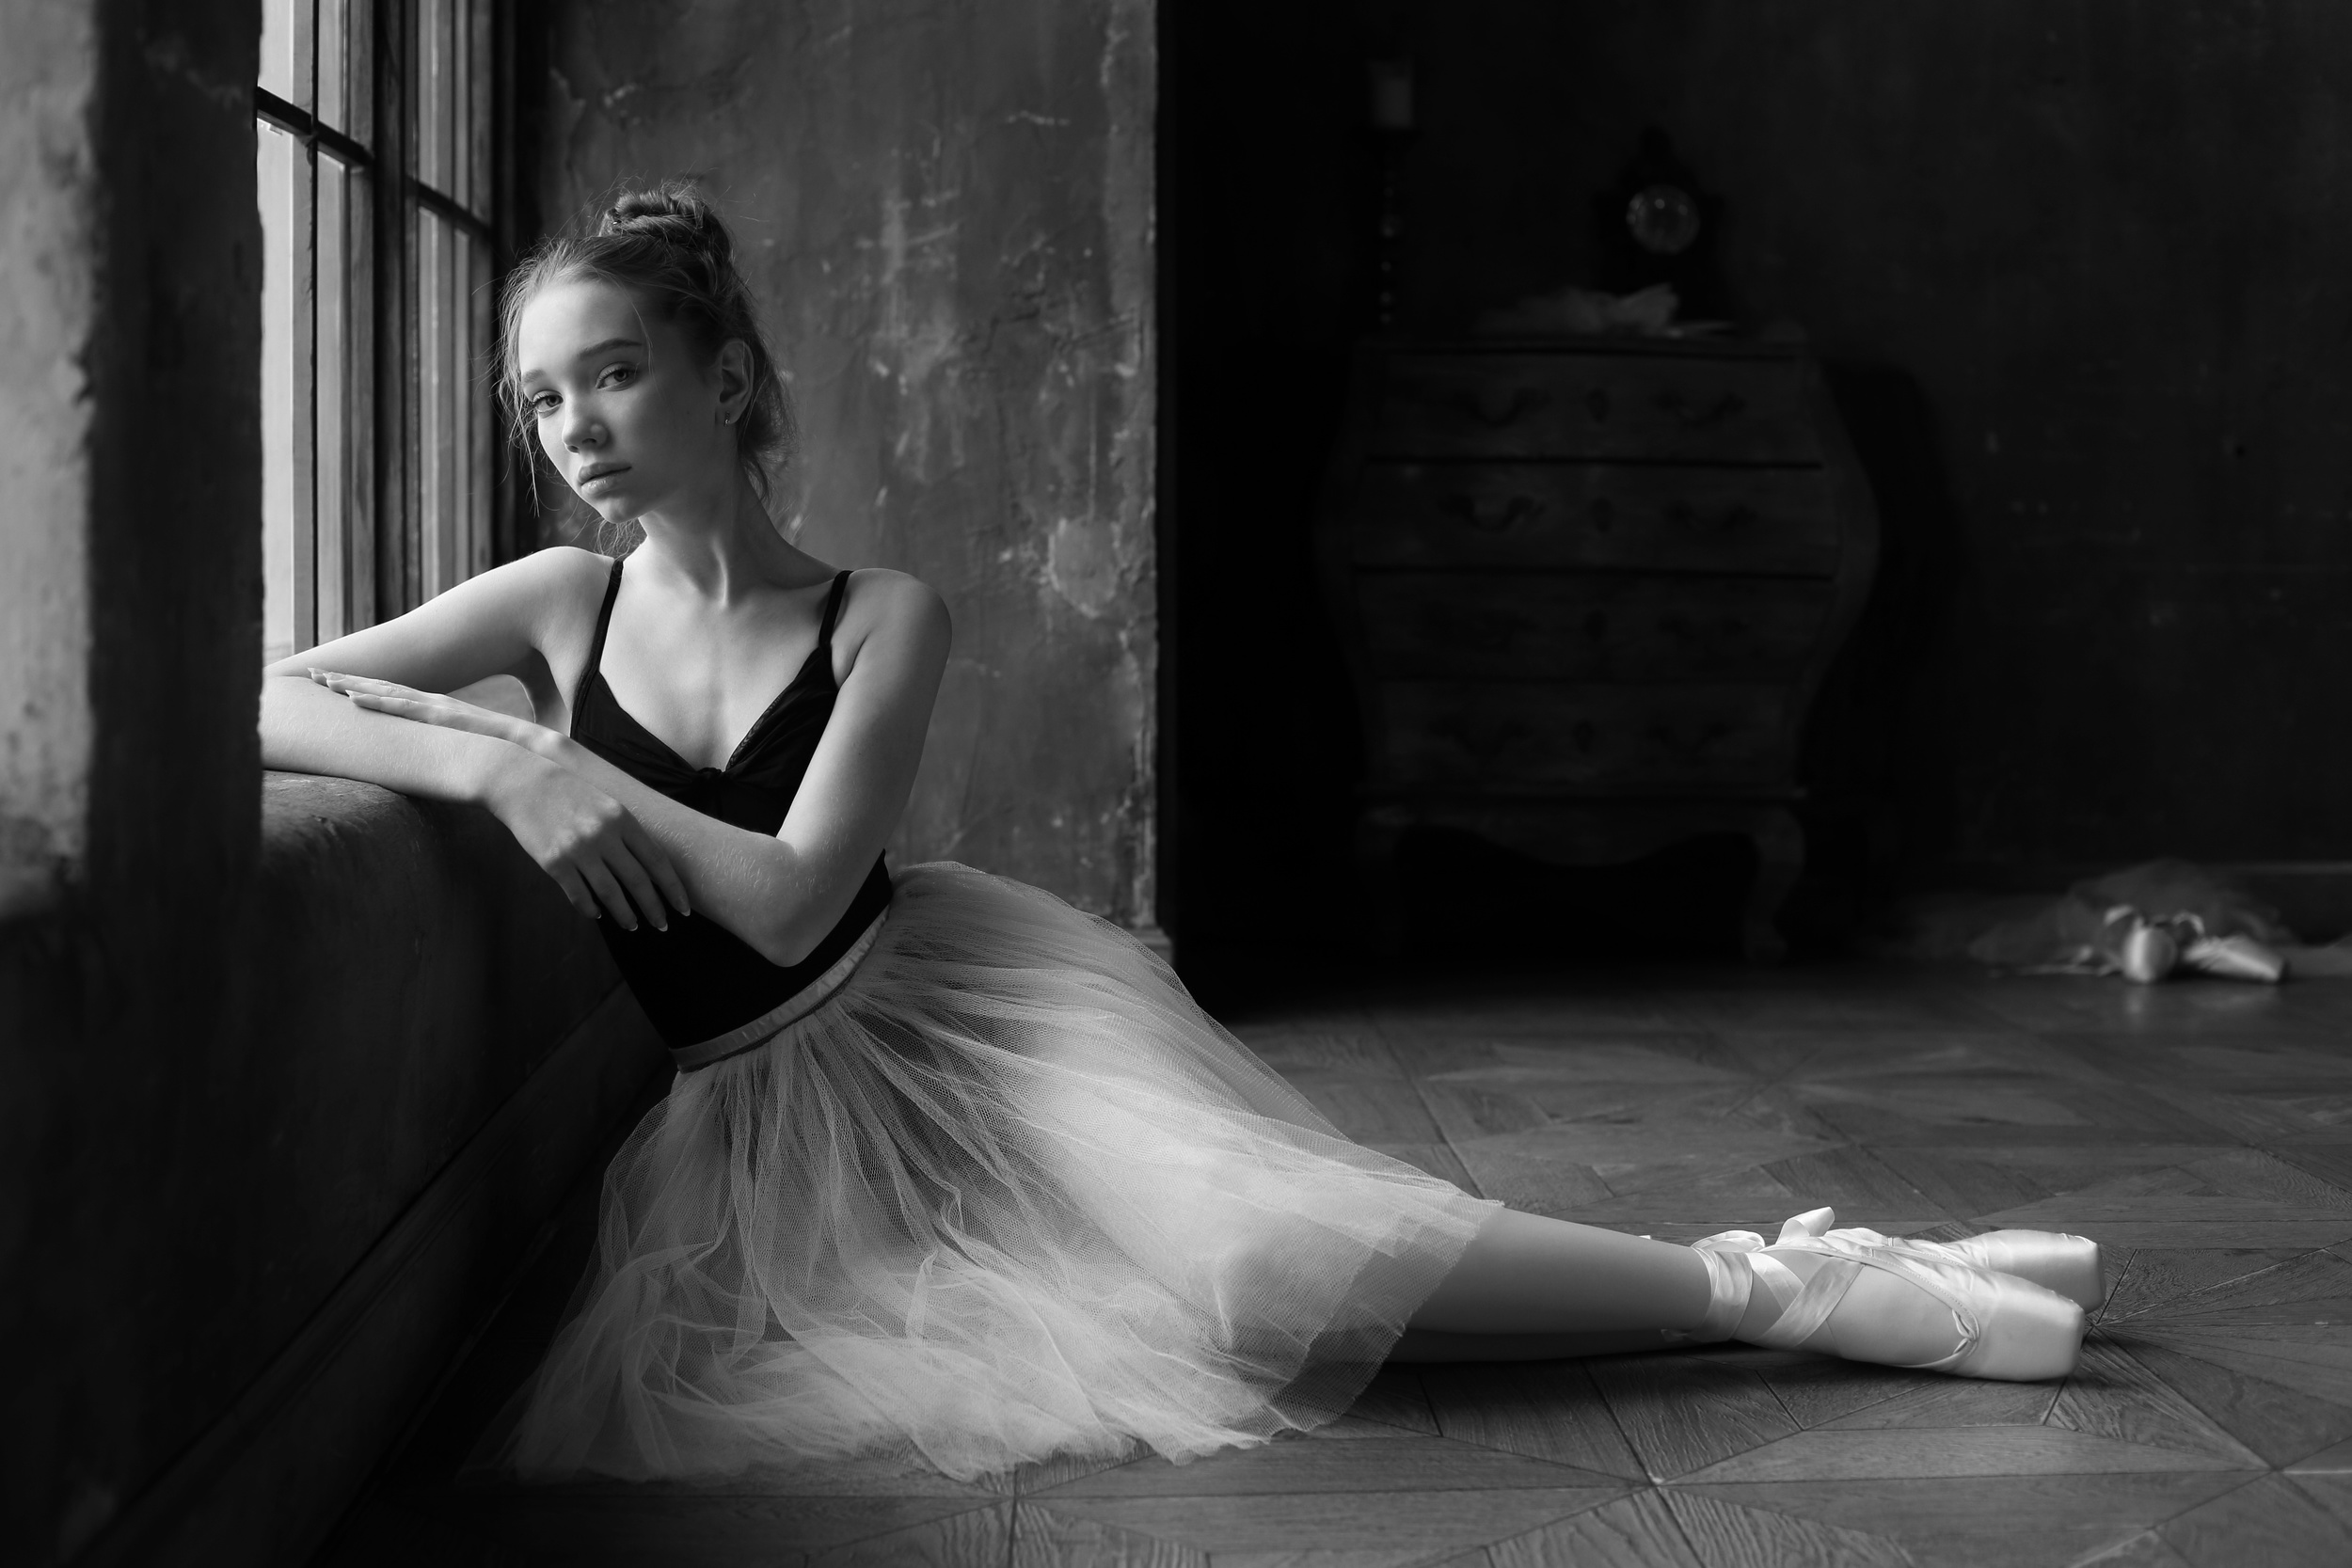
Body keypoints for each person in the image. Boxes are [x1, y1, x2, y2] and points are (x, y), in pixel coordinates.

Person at [259, 183, 2098, 1485]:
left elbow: (789, 899)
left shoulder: (881, 615)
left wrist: (577, 774)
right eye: (540, 397)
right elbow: (257, 697)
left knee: (1256, 1264)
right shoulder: (556, 608)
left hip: (943, 1011)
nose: (571, 427)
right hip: (770, 1124)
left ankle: (1784, 1286)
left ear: (724, 379)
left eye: (612, 373)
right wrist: (505, 767)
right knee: (1217, 1325)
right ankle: (1788, 1288)